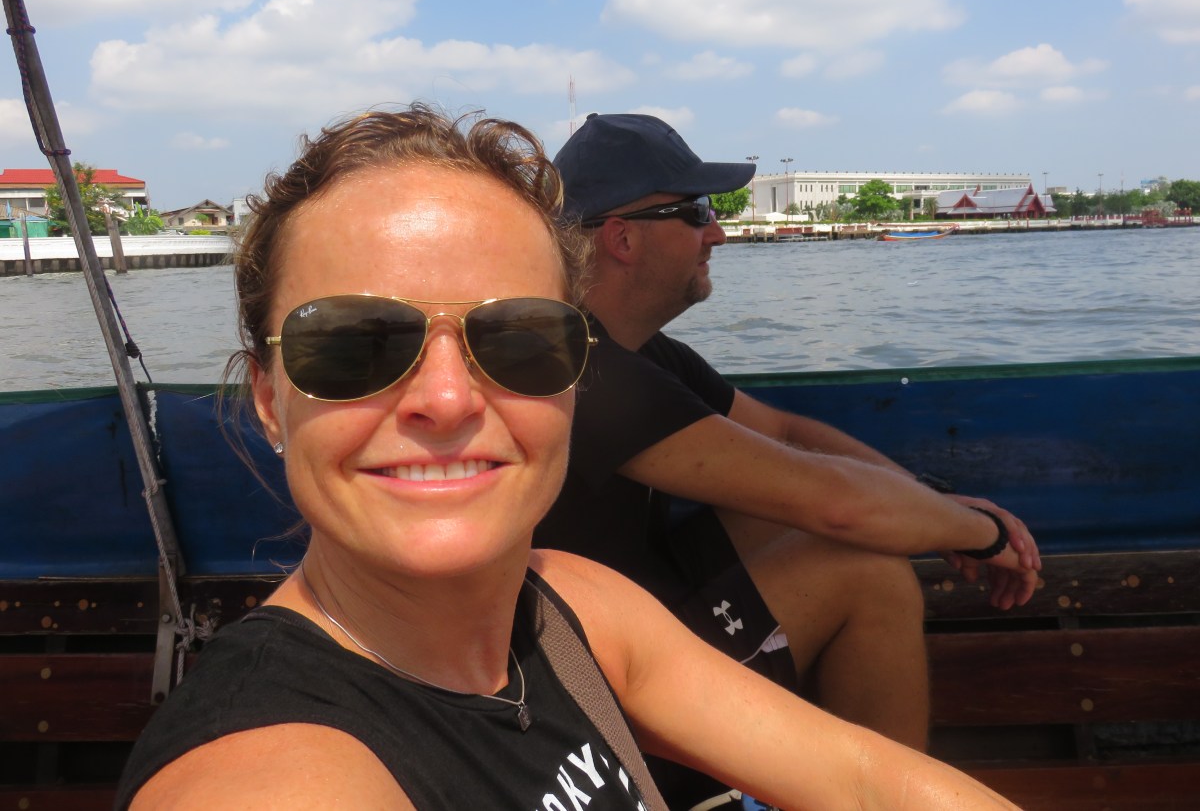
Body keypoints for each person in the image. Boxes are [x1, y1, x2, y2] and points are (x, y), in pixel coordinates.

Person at [115, 105, 1021, 811]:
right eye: (354, 343)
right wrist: (973, 528)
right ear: (268, 399)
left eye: (521, 339)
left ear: (573, 376)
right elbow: (825, 498)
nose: (447, 399)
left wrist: (932, 501)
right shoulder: (272, 771)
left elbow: (869, 781)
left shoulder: (571, 609)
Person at [536, 112, 1043, 754]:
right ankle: (878, 794)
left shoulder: (638, 351)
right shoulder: (585, 372)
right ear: (622, 238)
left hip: (627, 622)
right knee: (870, 573)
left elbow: (784, 432)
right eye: (697, 212)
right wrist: (981, 532)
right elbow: (837, 504)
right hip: (585, 703)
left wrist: (931, 506)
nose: (717, 234)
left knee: (783, 509)